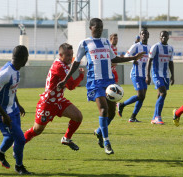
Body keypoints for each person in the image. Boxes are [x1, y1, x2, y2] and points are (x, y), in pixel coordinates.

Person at [57, 18, 145, 155]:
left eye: (101, 27)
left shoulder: (105, 42)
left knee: (111, 113)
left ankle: (99, 132)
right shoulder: (85, 43)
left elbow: (114, 59)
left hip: (109, 81)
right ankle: (106, 142)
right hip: (95, 82)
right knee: (103, 110)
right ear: (91, 28)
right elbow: (76, 63)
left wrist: (133, 57)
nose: (99, 29)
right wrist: (65, 79)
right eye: (96, 27)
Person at [24, 43, 84, 151]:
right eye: (68, 55)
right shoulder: (60, 66)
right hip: (48, 103)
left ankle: (66, 138)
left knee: (78, 116)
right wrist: (81, 76)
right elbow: (70, 86)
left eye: (71, 55)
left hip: (58, 101)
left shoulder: (62, 64)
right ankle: (18, 144)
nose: (70, 57)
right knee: (37, 130)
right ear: (61, 55)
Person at [0, 45, 31, 175]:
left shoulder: (15, 69)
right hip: (1, 112)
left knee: (10, 137)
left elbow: (11, 90)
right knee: (20, 139)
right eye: (27, 57)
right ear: (23, 58)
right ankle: (19, 167)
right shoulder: (5, 73)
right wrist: (4, 114)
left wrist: (18, 104)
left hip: (13, 109)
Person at [117, 29, 151, 122]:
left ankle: (133, 117)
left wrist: (149, 75)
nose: (144, 35)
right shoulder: (136, 46)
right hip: (136, 73)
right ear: (140, 35)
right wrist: (133, 60)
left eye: (146, 34)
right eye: (142, 34)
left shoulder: (149, 48)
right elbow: (126, 56)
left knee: (142, 97)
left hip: (144, 75)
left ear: (148, 35)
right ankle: (122, 105)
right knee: (140, 95)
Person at [146, 30, 174, 125]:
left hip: (165, 75)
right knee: (163, 93)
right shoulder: (156, 47)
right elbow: (149, 61)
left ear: (168, 37)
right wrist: (148, 75)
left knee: (160, 95)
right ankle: (158, 117)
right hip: (156, 74)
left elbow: (170, 62)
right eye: (162, 36)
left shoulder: (170, 48)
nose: (164, 38)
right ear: (160, 37)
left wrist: (172, 75)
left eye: (165, 36)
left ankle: (154, 117)